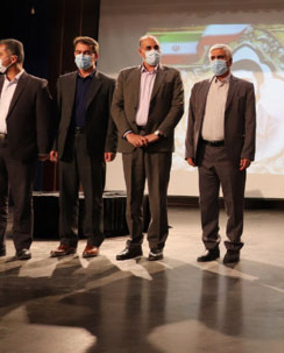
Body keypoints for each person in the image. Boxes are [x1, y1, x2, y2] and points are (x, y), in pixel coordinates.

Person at [111, 35, 184, 261]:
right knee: (133, 197)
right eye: (149, 48)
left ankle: (156, 244)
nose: (153, 51)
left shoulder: (172, 75)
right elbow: (116, 107)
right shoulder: (125, 75)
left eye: (156, 47)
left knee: (157, 197)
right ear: (140, 52)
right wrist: (128, 134)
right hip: (131, 144)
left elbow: (177, 107)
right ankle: (134, 243)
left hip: (158, 145)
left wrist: (157, 134)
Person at [185, 44, 256, 264]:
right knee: (206, 203)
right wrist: (190, 150)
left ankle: (233, 246)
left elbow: (250, 122)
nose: (216, 61)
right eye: (213, 57)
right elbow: (192, 121)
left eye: (221, 57)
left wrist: (247, 152)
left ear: (230, 61)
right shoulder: (199, 87)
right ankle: (210, 245)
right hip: (204, 152)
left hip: (230, 153)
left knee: (233, 203)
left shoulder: (244, 88)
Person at [50, 36, 117, 258]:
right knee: (67, 196)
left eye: (87, 53)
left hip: (93, 145)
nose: (82, 56)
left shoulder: (107, 84)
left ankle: (93, 240)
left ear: (95, 55)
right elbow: (58, 116)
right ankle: (67, 241)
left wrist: (110, 145)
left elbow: (112, 119)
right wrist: (55, 144)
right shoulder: (64, 81)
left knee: (93, 196)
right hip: (68, 143)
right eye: (78, 52)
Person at [0, 38, 53, 260]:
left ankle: (22, 245)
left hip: (21, 149)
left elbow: (43, 120)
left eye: (0, 54)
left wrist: (43, 150)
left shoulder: (36, 85)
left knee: (22, 200)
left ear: (13, 58)